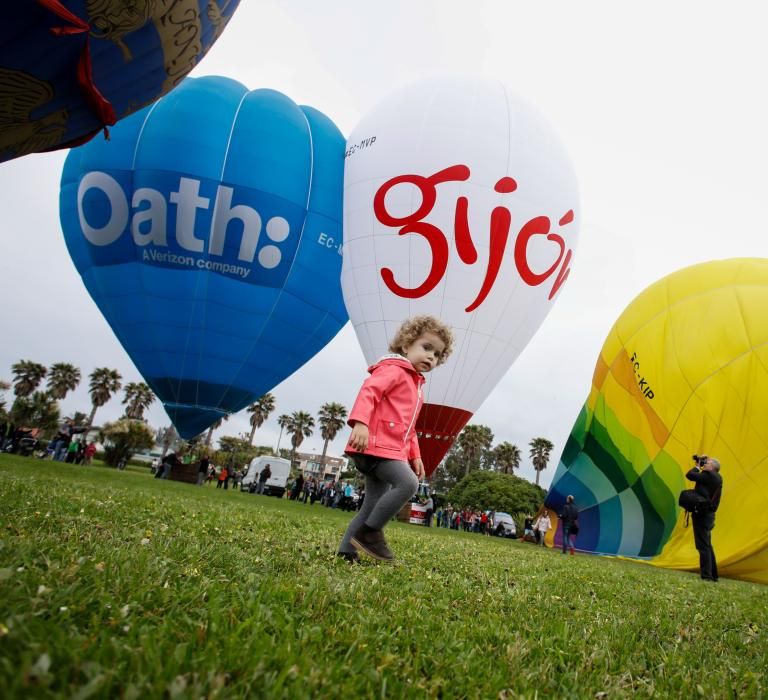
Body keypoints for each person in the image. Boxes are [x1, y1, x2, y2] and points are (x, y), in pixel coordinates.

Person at [337, 315, 454, 563]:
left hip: (387, 449)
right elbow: (370, 392)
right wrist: (360, 422)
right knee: (409, 484)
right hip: (374, 446)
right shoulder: (394, 370)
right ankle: (370, 534)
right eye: (426, 347)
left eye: (437, 354)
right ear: (406, 345)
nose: (431, 356)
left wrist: (416, 455)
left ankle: (346, 552)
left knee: (371, 505)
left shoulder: (416, 387)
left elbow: (409, 429)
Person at [686, 456, 723, 582]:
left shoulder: (709, 475)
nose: (705, 464)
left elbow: (690, 475)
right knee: (707, 545)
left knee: (702, 546)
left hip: (702, 514)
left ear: (713, 466)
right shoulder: (717, 478)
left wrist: (697, 466)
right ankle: (713, 574)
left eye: (707, 462)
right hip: (709, 515)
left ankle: (706, 576)